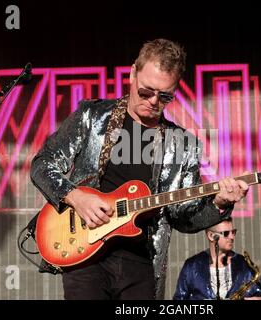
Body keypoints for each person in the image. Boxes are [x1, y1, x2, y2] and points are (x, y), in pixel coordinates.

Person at [30, 38, 249, 300]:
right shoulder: (92, 116)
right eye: (147, 91)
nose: (154, 101)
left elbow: (184, 218)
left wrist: (219, 203)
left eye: (165, 96)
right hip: (86, 256)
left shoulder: (183, 144)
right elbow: (42, 164)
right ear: (133, 73)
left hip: (141, 262)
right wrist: (75, 196)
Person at [173, 217, 261, 300]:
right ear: (211, 236)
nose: (232, 237)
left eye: (233, 232)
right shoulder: (192, 266)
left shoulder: (245, 265)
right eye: (226, 233)